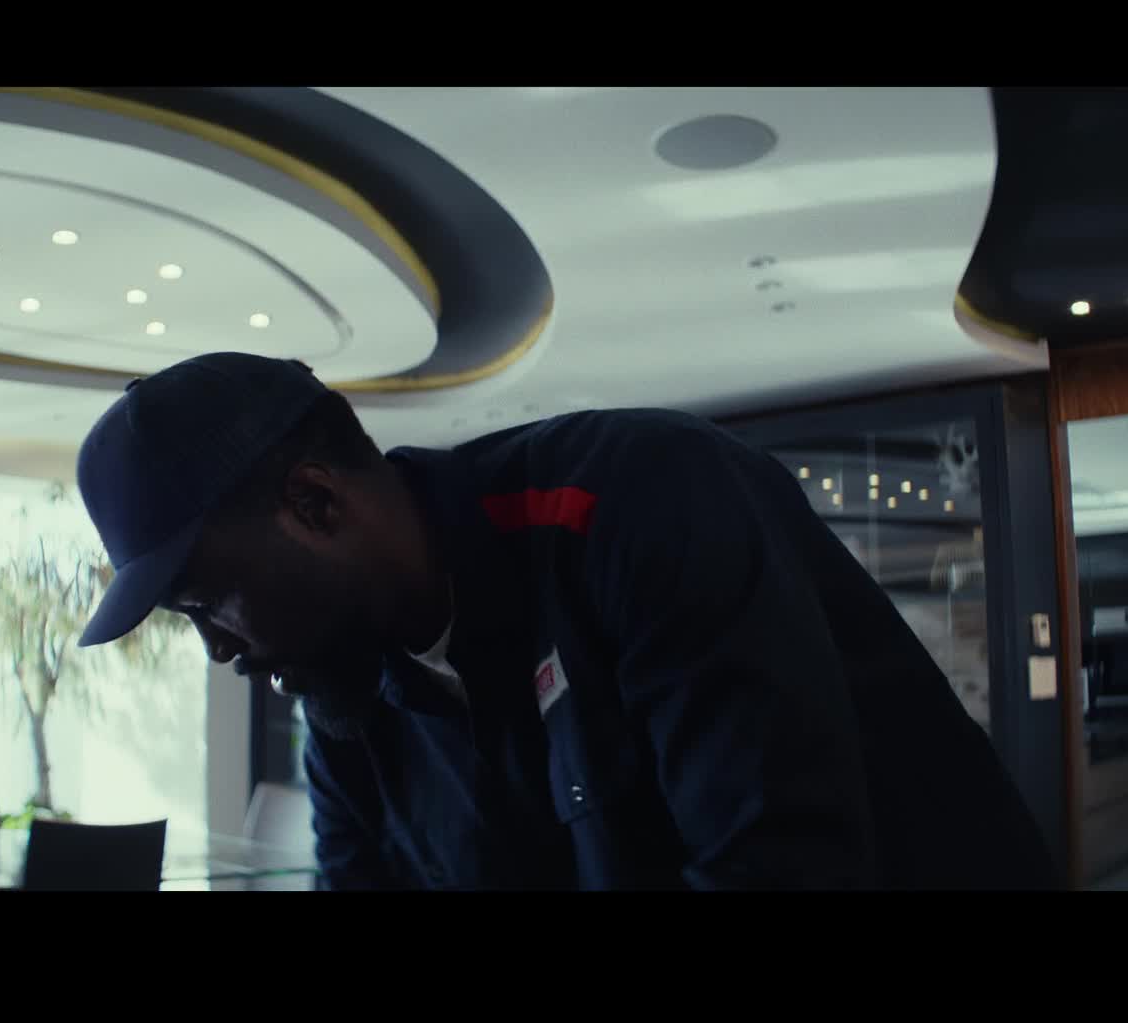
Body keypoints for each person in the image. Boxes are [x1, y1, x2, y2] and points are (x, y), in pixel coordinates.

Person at [75, 352, 1059, 890]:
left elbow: (782, 867)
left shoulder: (636, 507)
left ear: (315, 503)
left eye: (206, 605)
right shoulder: (350, 707)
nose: (220, 651)